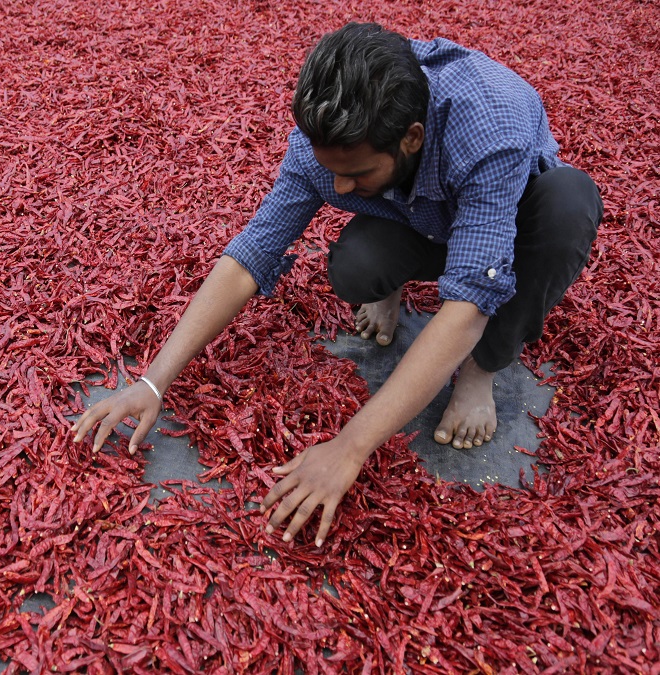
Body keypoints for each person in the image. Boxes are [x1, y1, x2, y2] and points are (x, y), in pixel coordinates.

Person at [72, 23, 603, 546]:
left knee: (568, 204)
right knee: (355, 265)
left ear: (411, 138)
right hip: (415, 210)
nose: (341, 188)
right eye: (333, 173)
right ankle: (390, 282)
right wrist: (153, 381)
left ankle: (481, 369)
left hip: (510, 214)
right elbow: (250, 256)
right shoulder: (320, 145)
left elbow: (467, 304)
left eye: (357, 175)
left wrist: (349, 447)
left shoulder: (490, 126)